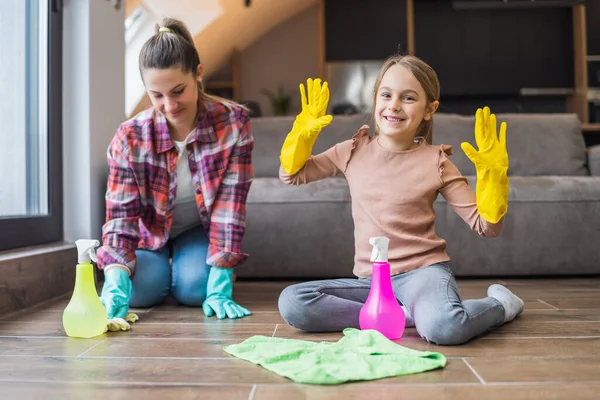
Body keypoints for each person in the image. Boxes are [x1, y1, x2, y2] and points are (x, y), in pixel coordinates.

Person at [276, 55, 524, 346]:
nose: (393, 105)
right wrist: (302, 135)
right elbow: (291, 176)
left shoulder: (437, 162)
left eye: (408, 98)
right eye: (386, 95)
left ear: (429, 109)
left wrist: (493, 177)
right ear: (375, 99)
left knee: (446, 328)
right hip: (372, 283)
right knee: (294, 302)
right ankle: (404, 316)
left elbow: (488, 227)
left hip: (423, 274)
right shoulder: (352, 150)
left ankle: (501, 305)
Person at [97, 18, 253, 326]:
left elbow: (229, 208)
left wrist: (220, 278)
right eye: (157, 95)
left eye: (178, 90)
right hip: (148, 231)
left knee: (195, 289)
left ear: (198, 74)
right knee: (139, 293)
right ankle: (164, 273)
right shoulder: (129, 137)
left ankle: (183, 273)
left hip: (198, 229)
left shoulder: (234, 124)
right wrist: (115, 276)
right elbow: (121, 216)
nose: (169, 105)